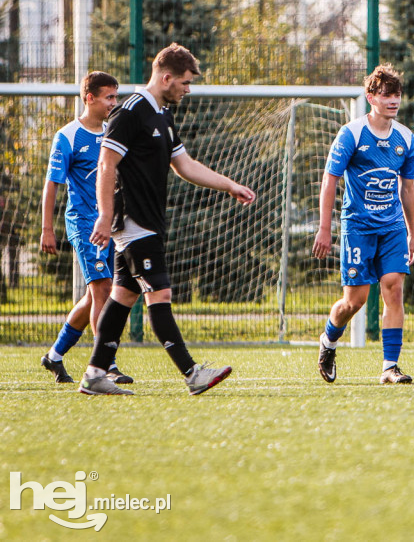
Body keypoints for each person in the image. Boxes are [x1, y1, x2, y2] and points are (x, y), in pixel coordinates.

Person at [79, 43, 256, 396]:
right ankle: (192, 374)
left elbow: (185, 165)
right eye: (185, 82)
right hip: (133, 220)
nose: (187, 89)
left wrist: (230, 185)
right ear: (166, 77)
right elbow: (106, 164)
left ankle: (95, 374)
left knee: (123, 296)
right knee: (159, 293)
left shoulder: (163, 115)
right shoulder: (130, 112)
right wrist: (105, 215)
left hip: (148, 220)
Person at [313, 64, 414, 385]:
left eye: (397, 94)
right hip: (358, 227)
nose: (393, 100)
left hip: (392, 229)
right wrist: (324, 228)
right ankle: (328, 342)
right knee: (354, 302)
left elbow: (408, 188)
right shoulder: (351, 134)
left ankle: (390, 366)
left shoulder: (406, 138)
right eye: (386, 95)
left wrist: (413, 233)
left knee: (394, 289)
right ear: (370, 97)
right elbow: (330, 181)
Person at [39, 71, 132, 385]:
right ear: (89, 97)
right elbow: (52, 185)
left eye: (116, 97)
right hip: (83, 225)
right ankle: (106, 366)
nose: (113, 103)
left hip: (111, 225)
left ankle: (54, 356)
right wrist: (46, 229)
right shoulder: (67, 136)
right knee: (103, 290)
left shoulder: (113, 131)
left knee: (96, 295)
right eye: (109, 97)